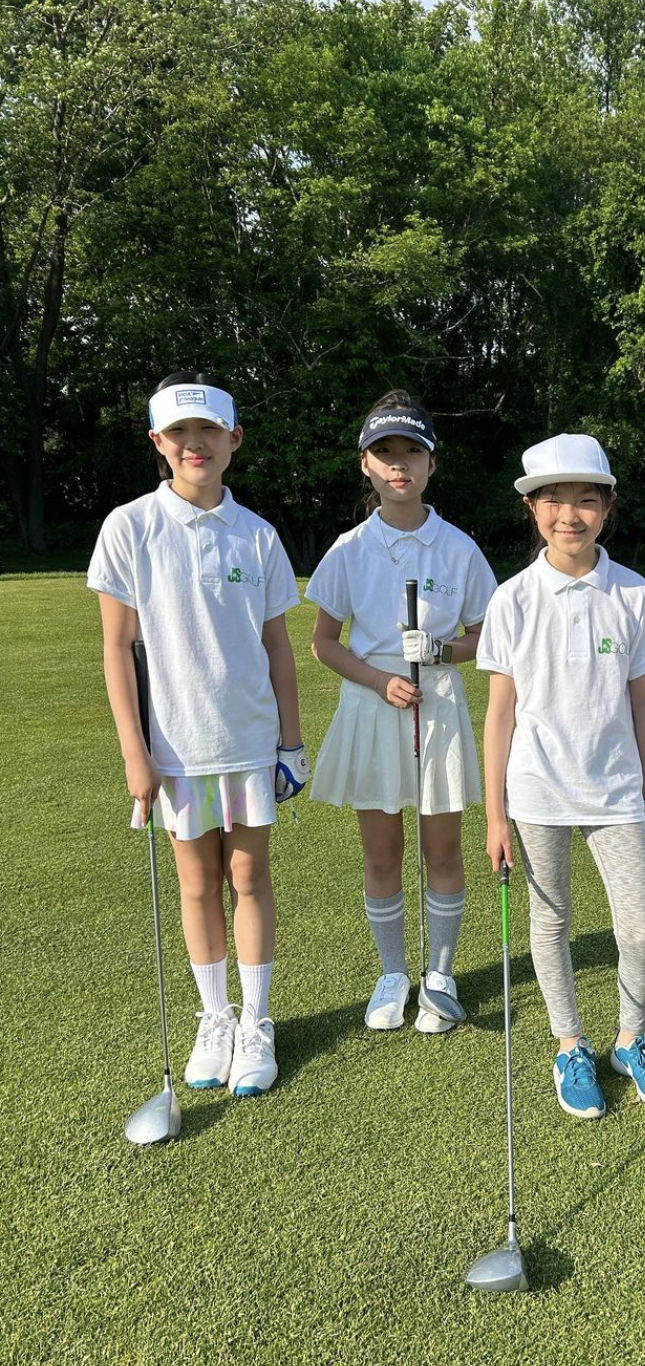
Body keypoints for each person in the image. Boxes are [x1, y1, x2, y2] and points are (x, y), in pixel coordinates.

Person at [88, 371, 307, 1098]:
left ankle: (257, 1021)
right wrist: (134, 753)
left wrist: (292, 741)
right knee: (197, 884)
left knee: (248, 877)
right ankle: (214, 1018)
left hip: (248, 739)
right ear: (157, 442)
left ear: (233, 440)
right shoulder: (130, 527)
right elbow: (118, 647)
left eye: (208, 431)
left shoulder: (259, 534)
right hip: (175, 747)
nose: (195, 444)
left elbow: (278, 646)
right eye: (179, 433)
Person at [478, 433, 645, 1120]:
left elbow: (644, 701)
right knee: (551, 921)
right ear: (532, 508)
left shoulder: (631, 592)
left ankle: (632, 1039)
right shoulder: (513, 598)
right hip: (536, 789)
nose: (570, 514)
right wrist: (493, 815)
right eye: (554, 500)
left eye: (586, 500)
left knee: (641, 931)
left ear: (607, 507)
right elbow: (500, 711)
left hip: (616, 790)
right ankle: (570, 1043)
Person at [307, 390, 496, 1032]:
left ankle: (438, 975)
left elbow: (489, 636)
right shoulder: (348, 549)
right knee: (381, 852)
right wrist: (379, 678)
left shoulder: (459, 548)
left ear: (431, 465)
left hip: (437, 704)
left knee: (442, 850)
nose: (399, 464)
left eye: (411, 451)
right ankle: (392, 974)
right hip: (372, 703)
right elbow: (323, 642)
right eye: (385, 452)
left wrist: (443, 648)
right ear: (366, 464)